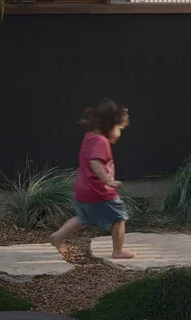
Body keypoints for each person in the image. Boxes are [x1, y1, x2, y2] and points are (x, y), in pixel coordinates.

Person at [49, 101, 135, 259]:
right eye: (119, 129)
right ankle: (118, 251)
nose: (119, 133)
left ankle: (58, 236)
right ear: (110, 125)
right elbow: (95, 161)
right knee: (120, 217)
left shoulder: (90, 136)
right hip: (99, 190)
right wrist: (107, 181)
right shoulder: (101, 141)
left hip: (83, 188)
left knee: (84, 218)